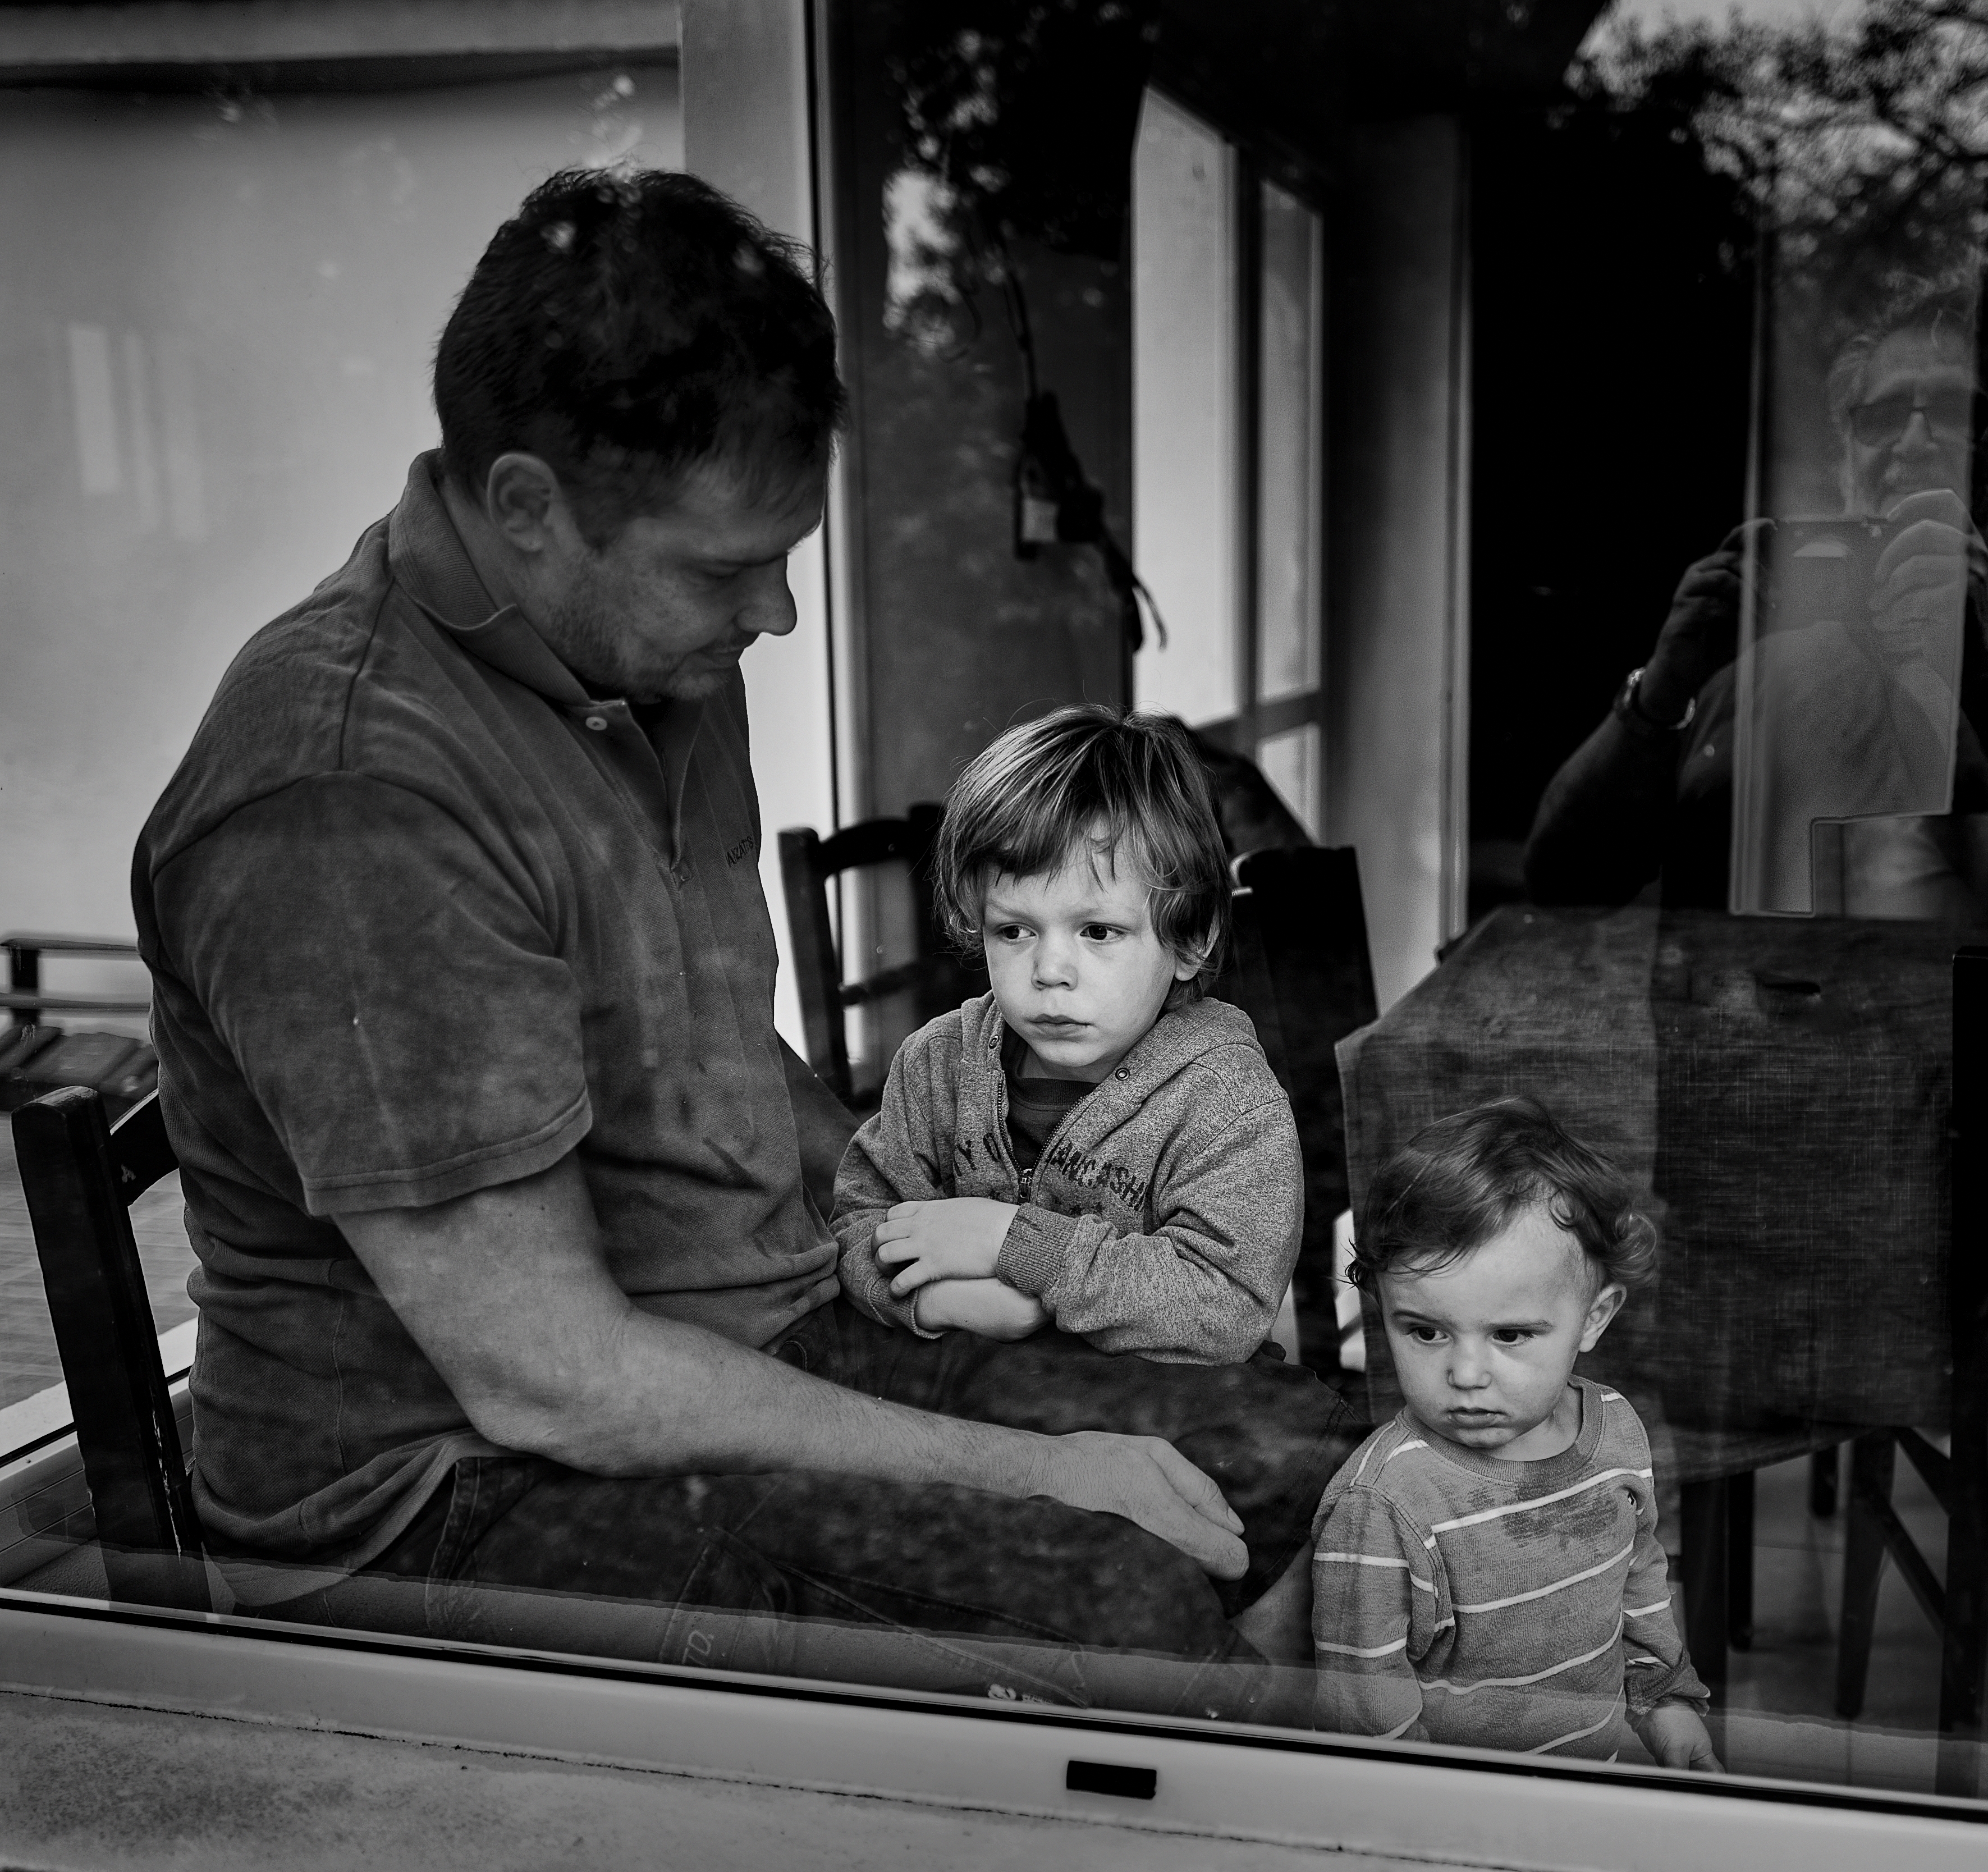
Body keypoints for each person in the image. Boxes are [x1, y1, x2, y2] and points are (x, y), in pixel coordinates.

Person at [130, 167, 1352, 1685]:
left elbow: (715, 1045)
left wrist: (918, 1223)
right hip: (455, 1497)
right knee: (1128, 1608)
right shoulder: (348, 789)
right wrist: (1027, 1461)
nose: (775, 612)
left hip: (738, 1348)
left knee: (1312, 1450)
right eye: (726, 566)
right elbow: (550, 1378)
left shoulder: (652, 667)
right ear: (526, 508)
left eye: (786, 553)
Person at [1523, 267, 1988, 954]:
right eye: (1882, 416)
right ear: (1845, 460)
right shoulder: (1744, 640)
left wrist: (1980, 667)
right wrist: (1661, 692)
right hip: (1748, 1073)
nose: (1915, 441)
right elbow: (1560, 883)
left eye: (1957, 412)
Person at [833, 706, 1302, 1362]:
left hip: (1163, 1421)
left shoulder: (1226, 1103)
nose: (1050, 971)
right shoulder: (936, 1064)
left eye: (1098, 931)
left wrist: (1012, 1243)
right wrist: (936, 1305)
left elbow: (1224, 1306)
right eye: (1014, 931)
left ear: (1190, 940)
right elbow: (857, 1227)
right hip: (980, 1406)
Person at [1310, 1100, 1719, 1769]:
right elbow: (1367, 1720)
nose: (1466, 1373)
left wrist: (1666, 1702)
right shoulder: (1386, 1502)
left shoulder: (1615, 1429)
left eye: (1509, 1334)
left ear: (1594, 1318)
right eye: (1425, 1330)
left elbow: (1636, 1574)